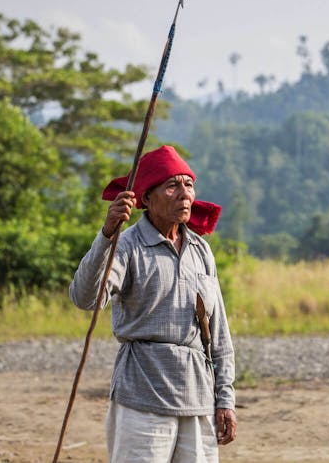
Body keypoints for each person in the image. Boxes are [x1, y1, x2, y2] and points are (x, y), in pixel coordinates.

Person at [70, 145, 237, 463]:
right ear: (146, 198)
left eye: (188, 184)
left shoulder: (200, 250)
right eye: (172, 185)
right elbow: (85, 298)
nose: (184, 194)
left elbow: (219, 335)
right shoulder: (126, 245)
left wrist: (224, 398)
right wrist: (107, 235)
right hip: (142, 394)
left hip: (198, 396)